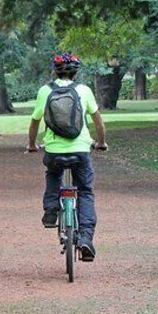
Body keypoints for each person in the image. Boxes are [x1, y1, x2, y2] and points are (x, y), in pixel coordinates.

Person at [26, 52, 107, 262]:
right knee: (86, 191)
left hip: (54, 149)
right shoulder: (84, 90)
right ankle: (86, 238)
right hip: (81, 150)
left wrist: (32, 144)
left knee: (53, 174)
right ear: (76, 72)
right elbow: (98, 122)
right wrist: (101, 142)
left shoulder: (45, 91)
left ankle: (51, 210)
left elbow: (35, 121)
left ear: (55, 70)